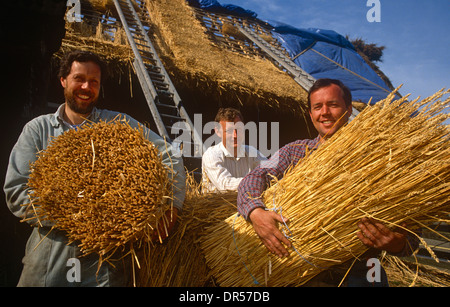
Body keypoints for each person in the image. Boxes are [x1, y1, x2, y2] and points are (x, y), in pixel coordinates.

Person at [3, 50, 186, 286]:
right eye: (79, 78)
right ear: (63, 81)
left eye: (94, 82)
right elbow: (16, 191)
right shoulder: (38, 130)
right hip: (50, 261)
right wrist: (85, 216)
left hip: (105, 268)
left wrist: (173, 206)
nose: (86, 87)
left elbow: (171, 155)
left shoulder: (118, 125)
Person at [237, 78, 417, 286]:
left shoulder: (377, 157)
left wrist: (399, 244)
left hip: (363, 270)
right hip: (304, 271)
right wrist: (255, 212)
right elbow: (254, 177)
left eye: (333, 105)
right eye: (317, 107)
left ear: (348, 110)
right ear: (311, 114)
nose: (324, 112)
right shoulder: (294, 151)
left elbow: (413, 230)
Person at [201, 107, 265, 193]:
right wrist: (255, 181)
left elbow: (270, 171)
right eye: (229, 131)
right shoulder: (211, 155)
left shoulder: (252, 152)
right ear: (218, 131)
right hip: (219, 205)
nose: (235, 135)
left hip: (249, 203)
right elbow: (224, 185)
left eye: (238, 130)